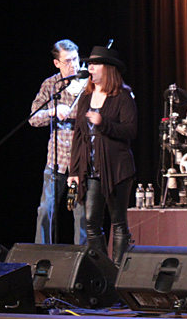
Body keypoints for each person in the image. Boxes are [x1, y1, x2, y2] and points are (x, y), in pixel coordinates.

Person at [67, 47, 137, 266]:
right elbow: (78, 137)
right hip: (92, 169)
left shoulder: (123, 96)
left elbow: (130, 130)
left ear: (108, 69)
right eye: (89, 65)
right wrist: (75, 171)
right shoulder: (86, 97)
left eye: (95, 65)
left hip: (117, 169)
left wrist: (103, 122)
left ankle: (118, 272)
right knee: (90, 221)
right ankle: (103, 270)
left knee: (118, 222)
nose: (90, 68)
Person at [30, 39, 87, 245]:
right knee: (46, 209)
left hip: (82, 161)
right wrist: (53, 112)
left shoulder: (88, 84)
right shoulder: (51, 85)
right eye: (68, 61)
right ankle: (41, 255)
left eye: (76, 60)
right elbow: (33, 119)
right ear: (57, 63)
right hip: (57, 160)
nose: (74, 65)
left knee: (82, 214)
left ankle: (84, 260)